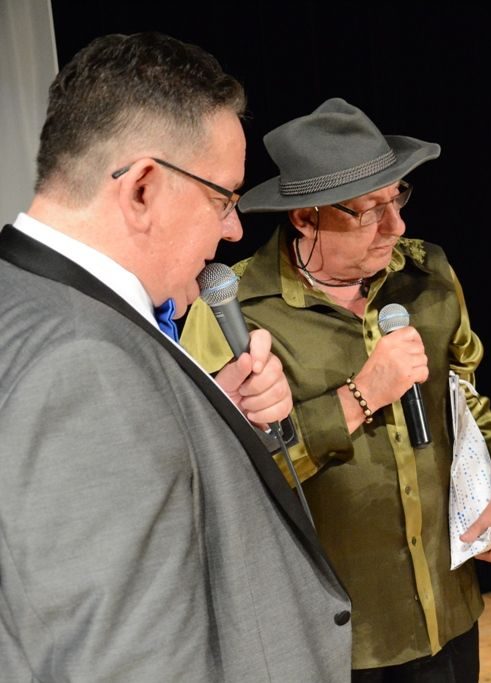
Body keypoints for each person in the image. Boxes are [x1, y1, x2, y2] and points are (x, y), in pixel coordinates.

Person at [0, 33, 352, 681]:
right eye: (224, 199)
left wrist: (208, 412)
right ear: (142, 188)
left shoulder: (26, 299)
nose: (234, 229)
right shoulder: (83, 369)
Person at [180, 97, 491, 681]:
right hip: (335, 636)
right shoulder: (234, 313)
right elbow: (229, 480)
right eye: (368, 211)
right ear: (305, 217)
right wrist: (360, 396)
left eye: (398, 199)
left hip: (448, 610)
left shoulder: (428, 274)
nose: (396, 226)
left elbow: (465, 394)